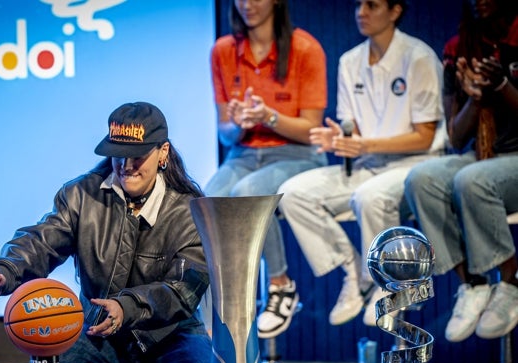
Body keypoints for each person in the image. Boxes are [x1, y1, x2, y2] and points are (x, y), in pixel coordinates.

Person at [0, 102, 212, 363]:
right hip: (96, 327)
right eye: (118, 154)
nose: (126, 165)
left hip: (169, 330)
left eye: (138, 156)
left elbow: (183, 291)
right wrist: (7, 269)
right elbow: (43, 241)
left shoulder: (190, 208)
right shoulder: (81, 194)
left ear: (162, 152)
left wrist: (127, 307)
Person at [277, 0, 446, 327]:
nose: (361, 12)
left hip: (416, 166)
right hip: (367, 163)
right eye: (358, 5)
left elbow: (424, 137)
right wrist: (338, 137)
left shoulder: (419, 57)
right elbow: (354, 128)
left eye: (372, 5)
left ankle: (391, 284)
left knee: (369, 196)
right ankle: (355, 273)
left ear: (395, 11)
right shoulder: (349, 61)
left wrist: (361, 143)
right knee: (293, 193)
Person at [206, 0, 328, 339]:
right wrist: (239, 122)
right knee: (207, 199)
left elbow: (312, 130)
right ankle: (215, 300)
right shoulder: (223, 51)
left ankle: (281, 284)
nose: (248, 4)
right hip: (243, 152)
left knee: (248, 193)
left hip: (298, 154)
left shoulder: (305, 48)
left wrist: (268, 116)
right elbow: (224, 132)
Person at [405, 0, 518, 343]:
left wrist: (503, 86)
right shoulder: (459, 48)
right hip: (485, 154)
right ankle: (472, 282)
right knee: (421, 179)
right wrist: (474, 97)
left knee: (471, 180)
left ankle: (511, 281)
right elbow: (456, 136)